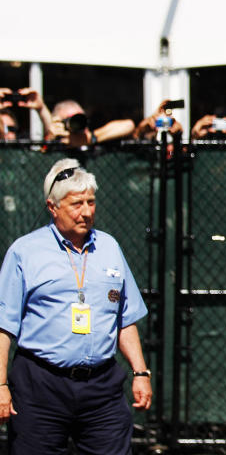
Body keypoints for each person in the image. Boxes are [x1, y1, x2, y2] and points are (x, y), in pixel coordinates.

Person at [0, 158, 152, 453]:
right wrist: (0, 386)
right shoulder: (24, 251)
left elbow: (125, 319)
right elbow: (3, 327)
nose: (86, 212)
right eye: (76, 204)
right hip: (40, 385)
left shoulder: (109, 247)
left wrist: (141, 373)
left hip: (101, 386)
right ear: (52, 207)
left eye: (91, 202)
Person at [49, 99, 135, 147]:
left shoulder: (96, 140)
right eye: (72, 121)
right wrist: (50, 138)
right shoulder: (56, 147)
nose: (78, 124)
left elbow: (129, 125)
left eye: (81, 118)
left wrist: (90, 139)